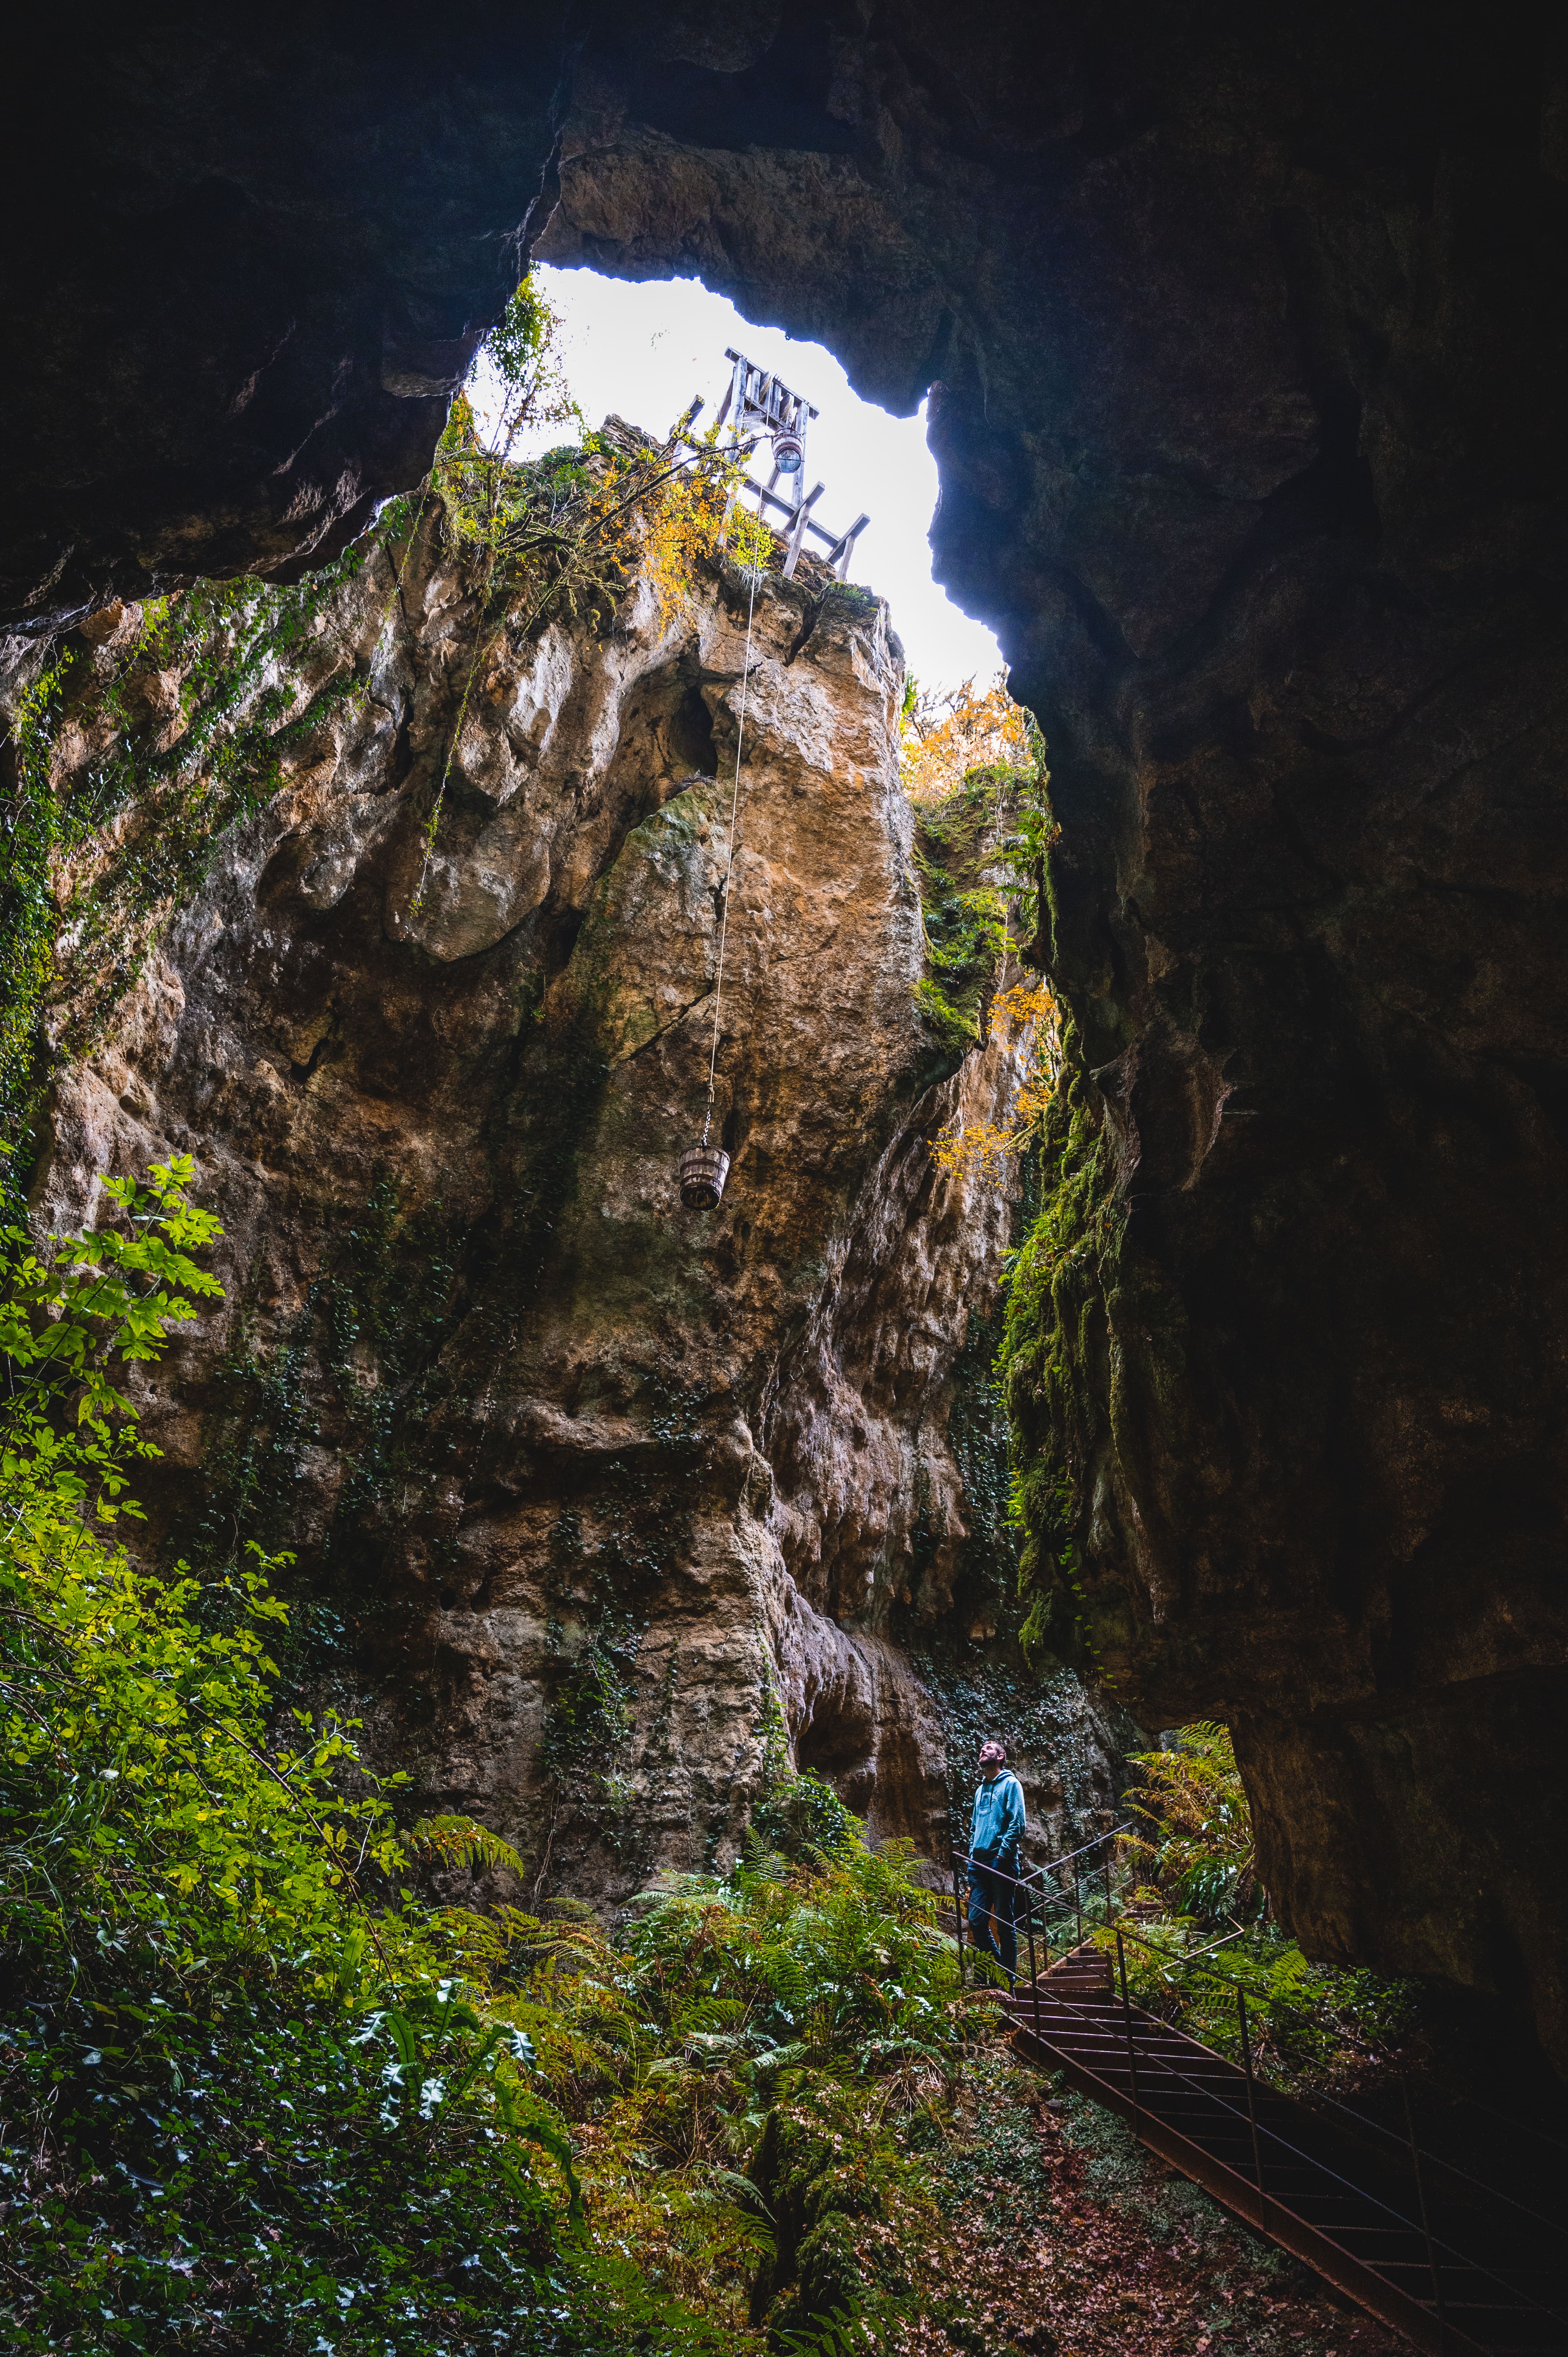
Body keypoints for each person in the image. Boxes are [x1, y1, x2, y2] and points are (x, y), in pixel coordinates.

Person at [967, 1739, 1026, 1982]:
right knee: (976, 1921)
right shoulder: (980, 1790)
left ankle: (1007, 1981)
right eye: (982, 1748)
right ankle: (1000, 1970)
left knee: (1004, 1922)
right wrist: (972, 1853)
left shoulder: (1011, 1784)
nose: (983, 1750)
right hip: (978, 1864)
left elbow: (1018, 1823)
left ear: (1001, 1756)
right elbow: (974, 1827)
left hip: (1001, 1862)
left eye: (989, 1748)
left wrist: (1003, 1854)